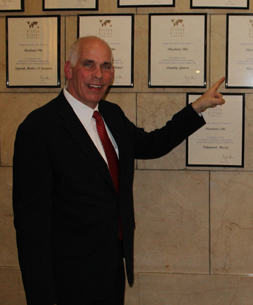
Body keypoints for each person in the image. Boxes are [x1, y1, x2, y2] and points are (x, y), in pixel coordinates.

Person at [13, 36, 225, 305]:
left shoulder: (110, 115)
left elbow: (151, 144)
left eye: (106, 66)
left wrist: (197, 108)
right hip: (68, 281)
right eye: (89, 65)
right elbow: (31, 228)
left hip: (111, 270)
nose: (99, 75)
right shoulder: (39, 129)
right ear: (69, 69)